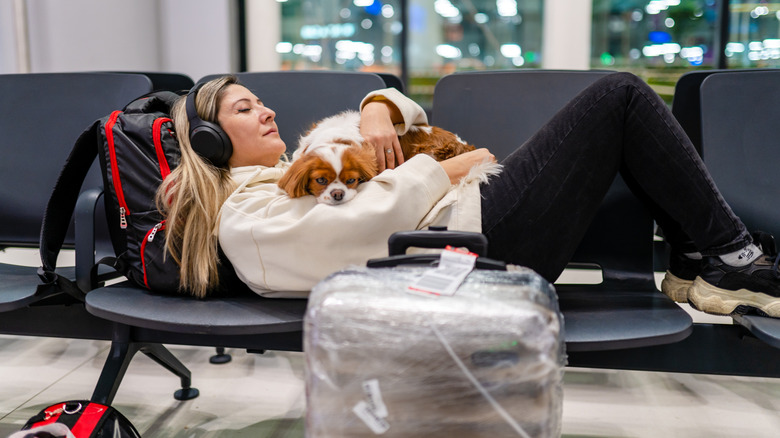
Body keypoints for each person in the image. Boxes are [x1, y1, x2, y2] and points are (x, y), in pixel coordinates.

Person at [157, 73, 780, 319]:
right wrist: (442, 171)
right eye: (245, 107)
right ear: (210, 140)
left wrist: (379, 107)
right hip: (468, 249)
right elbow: (343, 234)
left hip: (467, 234)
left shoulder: (292, 168)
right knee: (618, 100)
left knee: (615, 129)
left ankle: (701, 261)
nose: (265, 110)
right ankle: (729, 256)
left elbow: (395, 124)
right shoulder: (243, 211)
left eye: (260, 100)